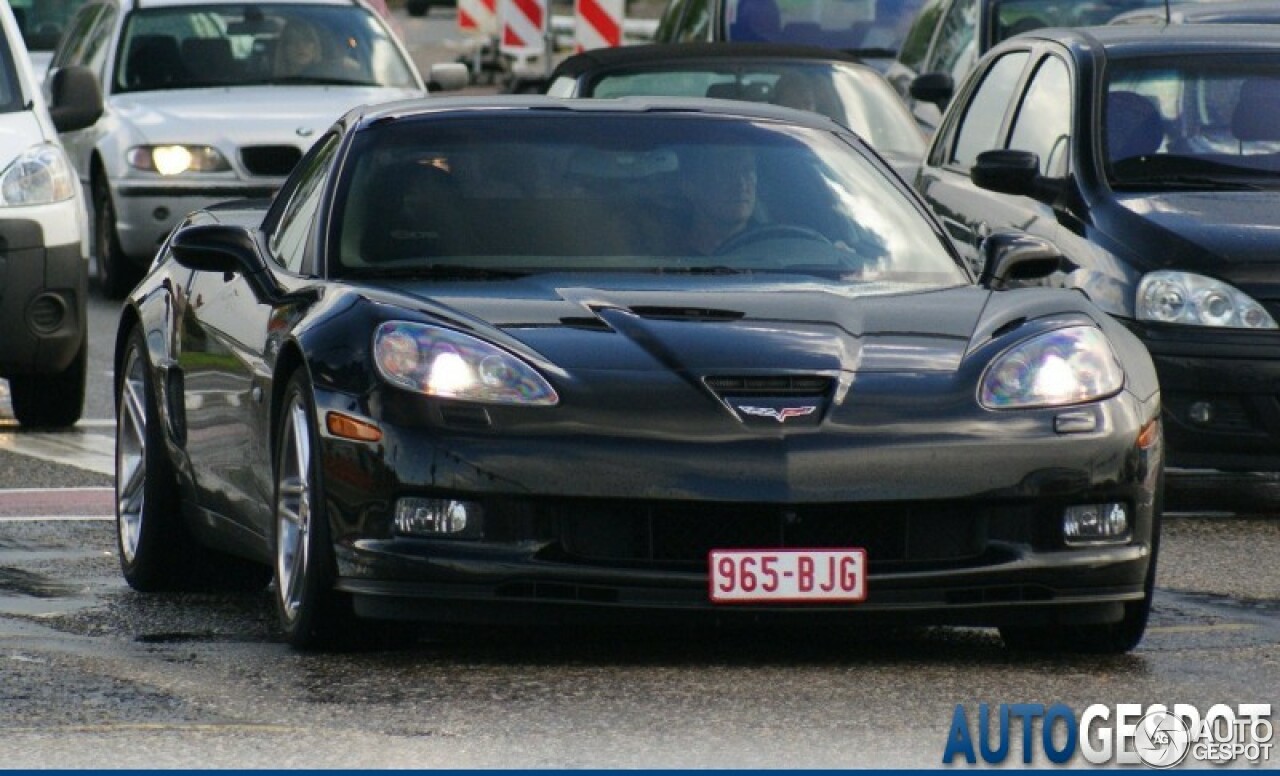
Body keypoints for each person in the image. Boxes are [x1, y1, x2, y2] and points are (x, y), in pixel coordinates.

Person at [674, 146, 760, 255]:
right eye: (725, 173)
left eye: (748, 171)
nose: (741, 184)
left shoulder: (776, 251)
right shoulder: (661, 258)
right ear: (689, 187)